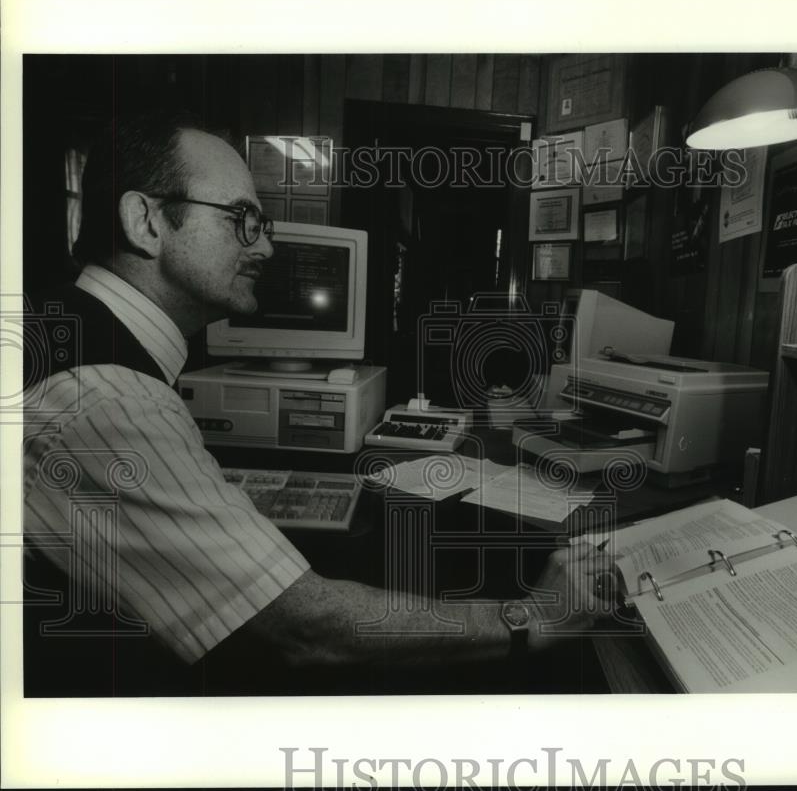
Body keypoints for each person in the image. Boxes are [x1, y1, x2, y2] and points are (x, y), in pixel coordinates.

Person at [21, 111, 611, 695]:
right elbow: (302, 628)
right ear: (144, 221)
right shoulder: (110, 400)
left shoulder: (73, 333)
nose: (266, 248)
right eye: (240, 219)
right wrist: (530, 617)